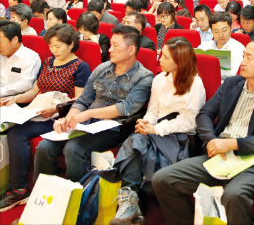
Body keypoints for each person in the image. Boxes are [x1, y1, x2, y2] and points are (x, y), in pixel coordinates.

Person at [152, 38, 254, 225]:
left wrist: (233, 144)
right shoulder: (232, 84)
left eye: (249, 58)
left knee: (234, 195)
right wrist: (212, 140)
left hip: (253, 159)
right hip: (220, 153)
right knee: (162, 179)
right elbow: (204, 113)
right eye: (243, 56)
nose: (242, 62)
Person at [33, 25, 153, 184]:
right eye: (110, 45)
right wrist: (67, 119)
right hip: (85, 123)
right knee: (45, 147)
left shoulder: (144, 77)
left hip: (114, 127)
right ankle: (41, 193)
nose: (110, 50)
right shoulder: (102, 68)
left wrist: (89, 113)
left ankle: (78, 199)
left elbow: (126, 107)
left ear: (131, 50)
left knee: (74, 149)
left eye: (115, 46)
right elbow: (83, 100)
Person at [110, 37, 206, 224]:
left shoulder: (195, 84)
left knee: (138, 146)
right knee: (135, 140)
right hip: (157, 128)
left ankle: (132, 205)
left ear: (179, 61)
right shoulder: (159, 79)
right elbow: (153, 111)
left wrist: (156, 129)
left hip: (178, 135)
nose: (159, 60)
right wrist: (145, 124)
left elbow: (189, 122)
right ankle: (130, 200)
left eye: (165, 57)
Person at [0, 24, 90, 211]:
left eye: (58, 46)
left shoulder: (80, 66)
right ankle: (17, 185)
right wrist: (14, 99)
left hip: (60, 116)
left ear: (71, 44)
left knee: (17, 132)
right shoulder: (48, 61)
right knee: (11, 125)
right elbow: (35, 90)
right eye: (51, 46)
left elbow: (80, 99)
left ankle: (20, 188)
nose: (53, 50)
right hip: (39, 111)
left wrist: (55, 108)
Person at [197, 12, 245, 80]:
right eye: (216, 31)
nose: (221, 35)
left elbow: (235, 75)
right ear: (212, 31)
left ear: (231, 28)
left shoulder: (239, 48)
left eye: (224, 30)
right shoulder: (203, 47)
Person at [0, 20, 40, 98]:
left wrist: (2, 92)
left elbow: (26, 84)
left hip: (16, 98)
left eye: (0, 42)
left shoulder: (30, 56)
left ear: (15, 39)